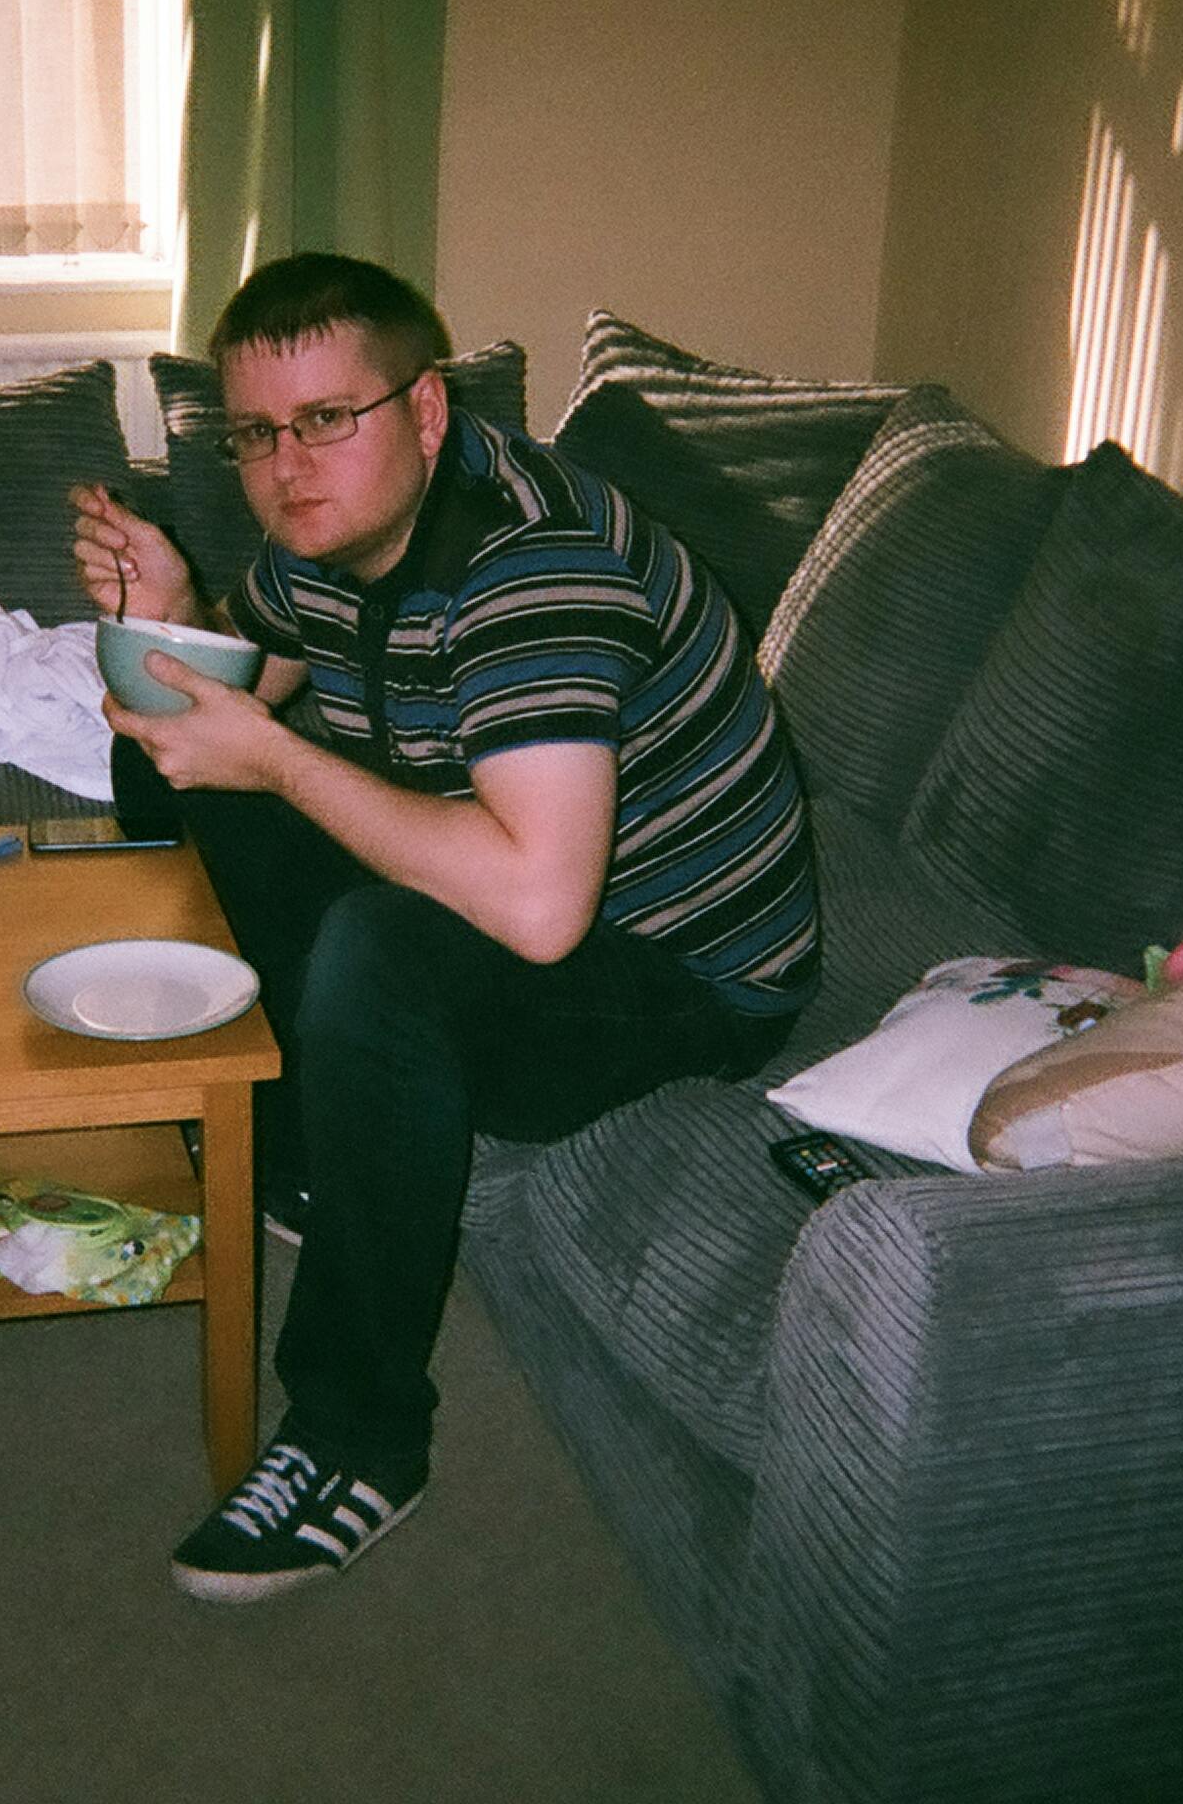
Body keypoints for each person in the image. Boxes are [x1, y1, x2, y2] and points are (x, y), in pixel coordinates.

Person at [70, 253, 818, 1604]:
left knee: (373, 941)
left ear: (424, 412)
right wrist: (170, 625)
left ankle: (360, 1435)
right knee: (185, 779)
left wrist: (279, 761)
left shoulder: (535, 571)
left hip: (682, 973)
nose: (287, 466)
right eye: (255, 433)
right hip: (538, 893)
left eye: (325, 419)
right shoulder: (333, 536)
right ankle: (302, 1158)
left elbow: (535, 913)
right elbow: (235, 706)